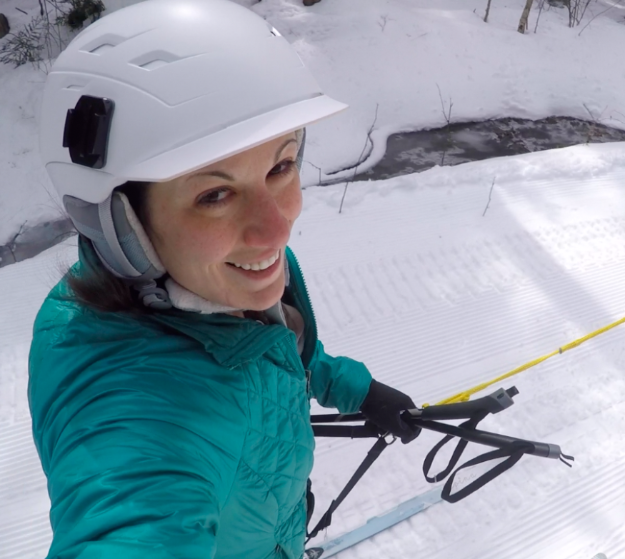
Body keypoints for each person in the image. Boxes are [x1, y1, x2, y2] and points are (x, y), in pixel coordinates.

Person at [27, 1, 420, 557]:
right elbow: (133, 510)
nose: (276, 226)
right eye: (214, 195)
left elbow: (267, 353)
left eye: (281, 167)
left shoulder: (214, 286)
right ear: (123, 225)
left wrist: (354, 389)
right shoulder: (142, 405)